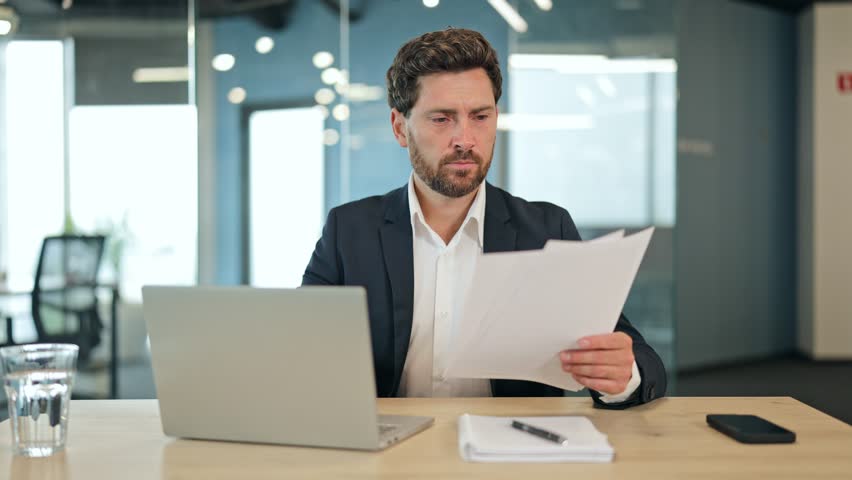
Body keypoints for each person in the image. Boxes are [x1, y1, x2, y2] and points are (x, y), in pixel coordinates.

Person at [303, 28, 666, 408]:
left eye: (480, 116)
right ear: (400, 128)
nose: (465, 139)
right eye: (442, 119)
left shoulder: (546, 230)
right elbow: (300, 350)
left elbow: (638, 359)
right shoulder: (349, 231)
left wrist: (622, 374)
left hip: (512, 453)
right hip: (389, 455)